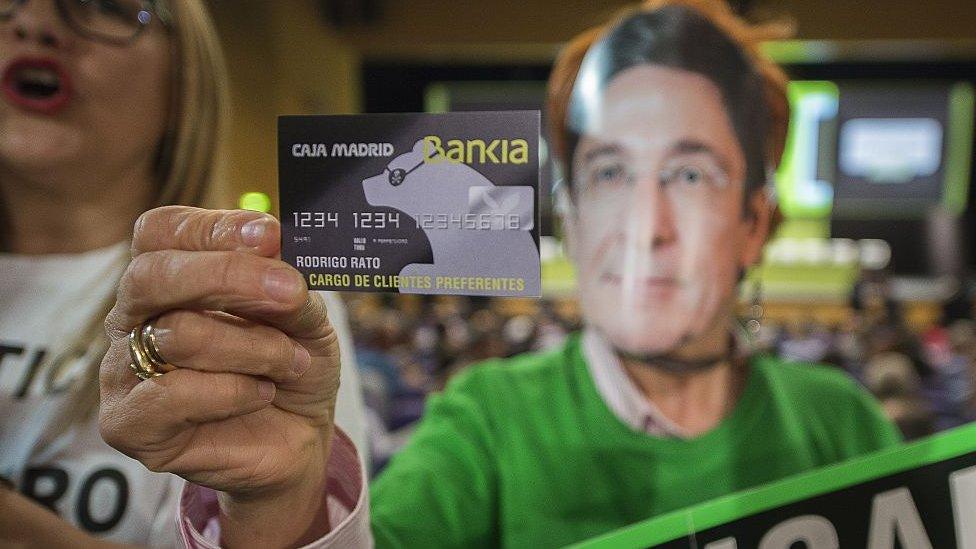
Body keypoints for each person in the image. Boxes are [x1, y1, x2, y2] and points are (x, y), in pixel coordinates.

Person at [98, 0, 901, 547]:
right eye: (611, 174)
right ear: (574, 218)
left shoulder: (844, 425)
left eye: (691, 175)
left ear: (753, 224)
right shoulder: (483, 423)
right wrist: (279, 507)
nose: (647, 228)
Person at [0, 0, 366, 546]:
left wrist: (281, 504)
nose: (34, 25)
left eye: (102, 5)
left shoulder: (262, 307)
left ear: (185, 84)